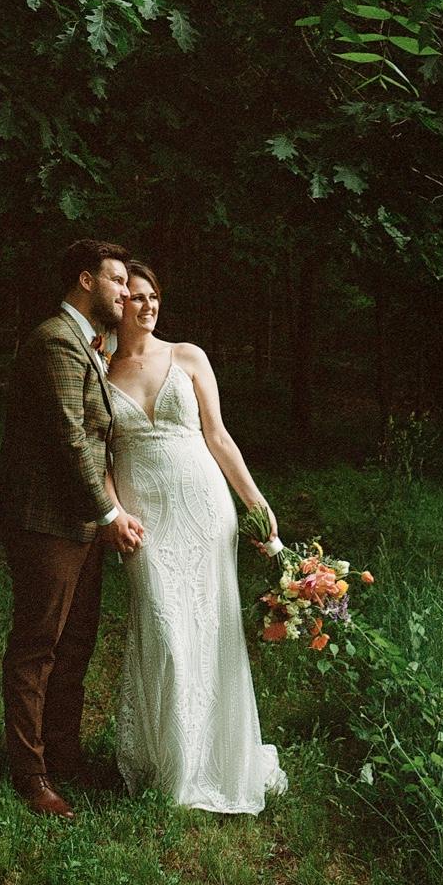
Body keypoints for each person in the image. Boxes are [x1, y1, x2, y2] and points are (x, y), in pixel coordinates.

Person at [107, 260, 287, 814]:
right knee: (163, 627)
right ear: (118, 305)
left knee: (209, 627)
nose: (147, 305)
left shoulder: (188, 356)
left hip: (205, 508)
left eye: (153, 296)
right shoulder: (99, 367)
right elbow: (98, 453)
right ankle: (171, 760)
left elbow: (219, 436)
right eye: (135, 297)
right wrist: (114, 512)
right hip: (144, 515)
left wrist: (256, 503)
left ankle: (217, 760)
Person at [0, 239, 145, 819]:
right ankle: (30, 775)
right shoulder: (55, 339)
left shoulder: (90, 344)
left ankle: (65, 755)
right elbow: (69, 436)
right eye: (116, 280)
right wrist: (109, 514)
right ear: (85, 280)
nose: (125, 292)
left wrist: (100, 514)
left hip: (79, 520)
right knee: (38, 647)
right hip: (44, 519)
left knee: (75, 645)